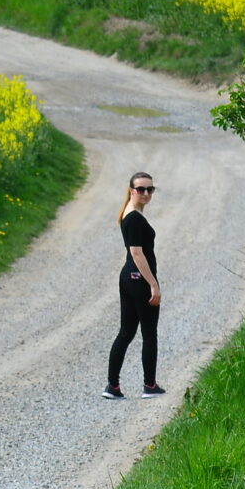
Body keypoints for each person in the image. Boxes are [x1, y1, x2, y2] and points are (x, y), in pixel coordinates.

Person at [105, 171, 165, 399]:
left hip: (127, 278)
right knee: (149, 334)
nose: (146, 193)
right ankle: (150, 386)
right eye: (141, 189)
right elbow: (137, 253)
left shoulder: (129, 214)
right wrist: (154, 284)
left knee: (127, 332)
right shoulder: (134, 219)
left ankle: (113, 387)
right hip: (138, 280)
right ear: (131, 191)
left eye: (150, 189)